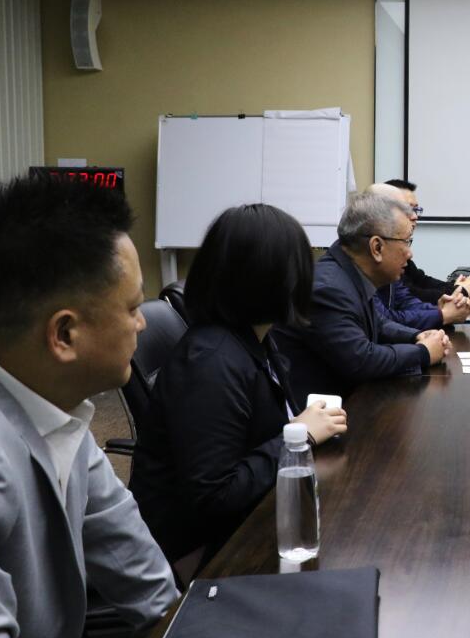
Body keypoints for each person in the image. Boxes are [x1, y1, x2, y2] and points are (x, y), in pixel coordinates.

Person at [0, 176, 177, 638]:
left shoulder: (57, 405)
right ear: (64, 334)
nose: (143, 324)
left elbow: (148, 585)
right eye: (132, 308)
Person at [129, 204, 347, 580]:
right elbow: (215, 496)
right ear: (271, 279)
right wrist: (299, 435)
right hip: (203, 554)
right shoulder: (211, 361)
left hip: (251, 518)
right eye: (300, 265)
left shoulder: (253, 337)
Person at [274, 191, 452, 402]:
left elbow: (377, 322)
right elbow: (361, 360)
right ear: (376, 247)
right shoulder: (328, 288)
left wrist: (416, 336)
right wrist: (422, 353)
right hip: (322, 411)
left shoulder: (349, 271)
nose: (409, 253)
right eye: (406, 242)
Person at [369, 183, 470, 329]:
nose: (414, 216)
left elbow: (406, 299)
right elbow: (383, 322)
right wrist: (443, 313)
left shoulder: (389, 255)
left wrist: (441, 310)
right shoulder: (355, 270)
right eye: (407, 209)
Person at [384, 179, 470, 303]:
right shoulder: (385, 248)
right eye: (408, 209)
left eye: (416, 210)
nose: (415, 216)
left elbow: (422, 281)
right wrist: (460, 290)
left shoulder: (399, 245)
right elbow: (411, 296)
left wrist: (458, 287)